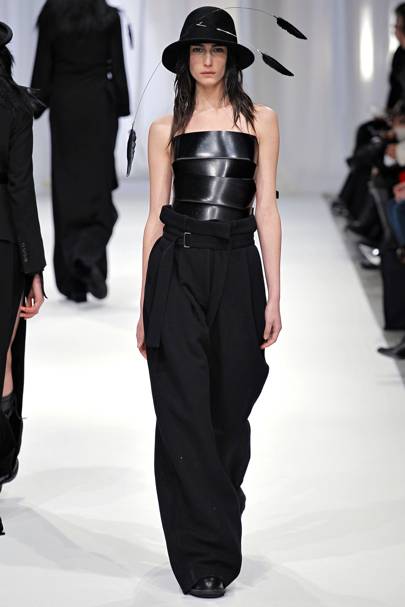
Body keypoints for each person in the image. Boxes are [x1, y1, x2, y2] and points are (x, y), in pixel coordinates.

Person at [137, 6, 282, 599]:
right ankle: (199, 557)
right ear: (184, 59)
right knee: (182, 411)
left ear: (231, 58)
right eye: (197, 50)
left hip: (237, 266)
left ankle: (220, 534)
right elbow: (154, 217)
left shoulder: (261, 121)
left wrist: (275, 293)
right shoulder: (164, 128)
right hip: (177, 265)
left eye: (216, 50)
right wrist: (144, 304)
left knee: (228, 408)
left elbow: (266, 208)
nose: (206, 60)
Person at [31, 0, 130, 302]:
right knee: (98, 189)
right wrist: (122, 106)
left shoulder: (52, 12)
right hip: (100, 106)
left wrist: (31, 108)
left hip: (65, 106)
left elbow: (43, 66)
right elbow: (117, 67)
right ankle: (88, 256)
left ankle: (72, 280)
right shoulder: (108, 16)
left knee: (67, 191)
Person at [0, 22, 46, 494]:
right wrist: (33, 267)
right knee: (4, 356)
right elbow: (20, 189)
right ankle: (2, 459)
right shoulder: (15, 107)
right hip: (4, 246)